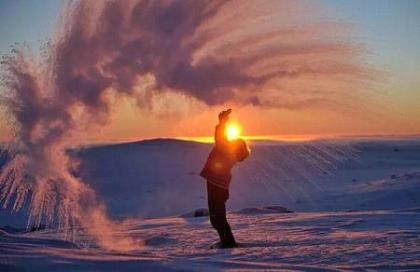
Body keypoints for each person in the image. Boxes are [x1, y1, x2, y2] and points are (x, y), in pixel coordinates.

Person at [200, 109, 250, 248]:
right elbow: (222, 139)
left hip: (216, 186)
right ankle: (227, 241)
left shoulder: (226, 151)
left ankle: (228, 243)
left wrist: (221, 122)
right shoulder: (229, 152)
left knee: (217, 219)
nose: (231, 140)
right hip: (219, 187)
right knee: (218, 218)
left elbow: (220, 138)